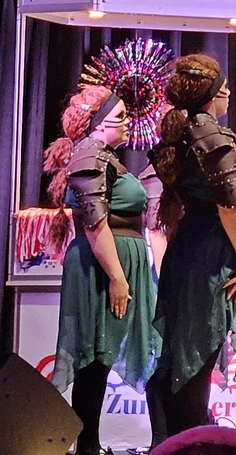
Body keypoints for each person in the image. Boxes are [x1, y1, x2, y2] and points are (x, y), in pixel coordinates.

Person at [45, 85, 159, 455]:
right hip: (101, 268)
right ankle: (88, 448)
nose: (127, 123)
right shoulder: (90, 154)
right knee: (94, 358)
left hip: (114, 265)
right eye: (120, 116)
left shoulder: (105, 156)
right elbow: (95, 224)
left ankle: (93, 446)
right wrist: (118, 278)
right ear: (97, 123)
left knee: (99, 358)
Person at [145, 55, 236, 435]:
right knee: (197, 353)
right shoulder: (210, 136)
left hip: (190, 243)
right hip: (210, 249)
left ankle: (174, 438)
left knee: (185, 352)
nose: (229, 91)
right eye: (224, 86)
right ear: (212, 94)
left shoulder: (181, 134)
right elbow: (228, 206)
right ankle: (187, 438)